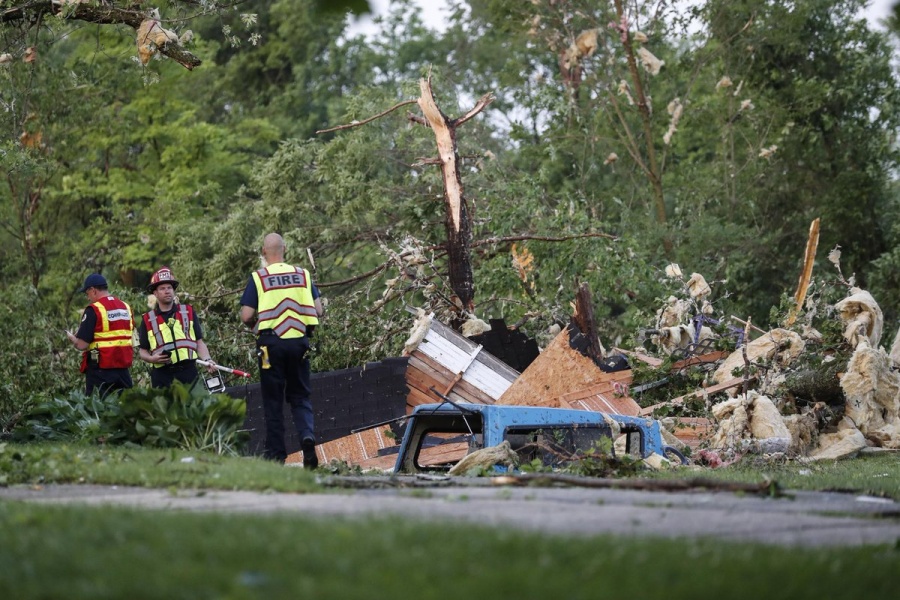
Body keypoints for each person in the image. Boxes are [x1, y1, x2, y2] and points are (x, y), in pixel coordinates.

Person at [240, 233, 324, 468]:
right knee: (300, 396)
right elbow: (318, 310)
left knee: (273, 398)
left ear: (264, 252)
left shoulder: (259, 277)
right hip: (299, 342)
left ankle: (276, 454)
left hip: (270, 344)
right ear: (284, 250)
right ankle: (307, 436)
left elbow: (246, 315)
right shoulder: (303, 274)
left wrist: (255, 326)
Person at [137, 266, 215, 389]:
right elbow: (142, 351)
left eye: (169, 287)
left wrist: (207, 359)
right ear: (155, 293)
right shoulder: (147, 319)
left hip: (188, 372)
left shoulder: (188, 311)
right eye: (162, 288)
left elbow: (199, 342)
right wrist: (152, 359)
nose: (167, 291)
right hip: (162, 375)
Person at [66, 273, 134, 398]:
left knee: (97, 409)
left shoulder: (94, 309)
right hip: (123, 370)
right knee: (125, 406)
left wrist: (73, 338)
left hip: (100, 370)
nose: (88, 298)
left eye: (87, 294)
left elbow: (82, 345)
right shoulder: (125, 307)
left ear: (93, 290)